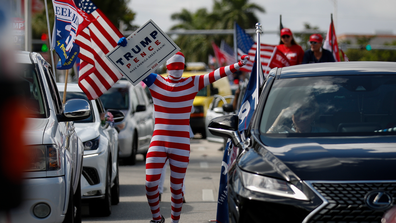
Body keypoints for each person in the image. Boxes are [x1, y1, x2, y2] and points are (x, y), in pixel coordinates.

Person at [142, 52, 249, 223]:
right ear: (167, 66)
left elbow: (216, 74)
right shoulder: (156, 80)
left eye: (179, 66)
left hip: (181, 142)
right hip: (159, 140)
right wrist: (125, 48)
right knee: (149, 184)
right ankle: (157, 218)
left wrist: (236, 66)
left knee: (177, 188)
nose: (176, 69)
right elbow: (133, 68)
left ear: (183, 67)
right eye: (172, 66)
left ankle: (175, 221)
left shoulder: (192, 82)